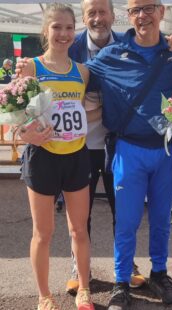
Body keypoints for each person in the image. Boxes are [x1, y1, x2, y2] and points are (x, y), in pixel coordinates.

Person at [86, 0, 172, 309]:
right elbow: (72, 73)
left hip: (166, 150)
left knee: (160, 220)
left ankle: (159, 274)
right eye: (135, 10)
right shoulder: (110, 55)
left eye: (149, 7)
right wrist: (32, 66)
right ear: (127, 16)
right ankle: (121, 282)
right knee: (127, 221)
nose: (142, 15)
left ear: (162, 11)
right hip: (128, 150)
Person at [65, 0, 146, 294]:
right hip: (78, 145)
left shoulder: (130, 43)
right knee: (79, 215)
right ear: (84, 17)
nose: (98, 18)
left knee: (123, 210)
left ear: (113, 15)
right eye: (91, 13)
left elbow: (157, 47)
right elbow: (47, 66)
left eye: (103, 12)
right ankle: (79, 266)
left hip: (118, 143)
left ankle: (127, 265)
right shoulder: (69, 45)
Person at [18, 4, 94, 310]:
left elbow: (83, 111)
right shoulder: (31, 68)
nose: (63, 34)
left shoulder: (83, 72)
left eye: (68, 28)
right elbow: (14, 112)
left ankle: (85, 289)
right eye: (56, 28)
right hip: (43, 157)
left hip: (76, 156)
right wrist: (26, 134)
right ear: (46, 31)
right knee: (43, 232)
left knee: (79, 229)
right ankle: (44, 295)